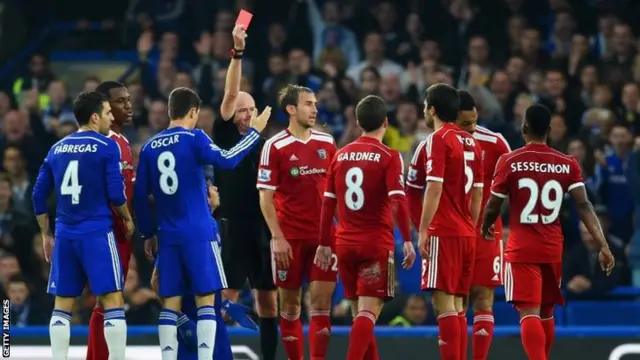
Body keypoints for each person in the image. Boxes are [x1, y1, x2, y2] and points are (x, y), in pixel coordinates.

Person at [133, 87, 270, 360]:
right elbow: (227, 160)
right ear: (193, 112)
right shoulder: (194, 137)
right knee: (206, 300)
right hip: (198, 232)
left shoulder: (148, 147)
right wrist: (254, 132)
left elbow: (138, 198)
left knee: (170, 305)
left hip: (168, 236)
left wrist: (148, 233)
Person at [481, 104, 615, 360]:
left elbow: (494, 203)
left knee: (529, 312)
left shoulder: (510, 161)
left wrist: (486, 225)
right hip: (553, 247)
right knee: (547, 311)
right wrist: (603, 244)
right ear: (550, 131)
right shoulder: (567, 164)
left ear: (524, 128)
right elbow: (584, 205)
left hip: (522, 247)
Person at [32, 91, 134, 360]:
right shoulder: (106, 146)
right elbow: (116, 192)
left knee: (62, 305)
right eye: (107, 113)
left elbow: (38, 195)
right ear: (94, 117)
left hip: (65, 235)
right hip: (97, 233)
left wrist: (46, 233)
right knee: (113, 300)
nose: (111, 118)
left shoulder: (57, 148)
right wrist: (126, 217)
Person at [313, 95, 416, 360]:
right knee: (369, 314)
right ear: (386, 122)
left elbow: (327, 204)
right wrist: (406, 238)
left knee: (360, 314)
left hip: (344, 244)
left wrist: (325, 243)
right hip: (375, 245)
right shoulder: (389, 156)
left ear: (358, 122)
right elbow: (397, 200)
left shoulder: (340, 156)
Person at [258, 84, 337, 360]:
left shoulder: (327, 143)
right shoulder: (274, 146)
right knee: (290, 306)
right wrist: (277, 237)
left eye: (315, 104)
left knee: (321, 305)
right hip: (288, 238)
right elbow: (265, 198)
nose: (315, 109)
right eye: (308, 104)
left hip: (323, 238)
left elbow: (334, 192)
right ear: (291, 109)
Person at [216, 25, 279, 360]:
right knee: (226, 300)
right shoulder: (225, 135)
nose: (248, 114)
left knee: (268, 300)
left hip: (262, 228)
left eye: (252, 109)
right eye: (242, 109)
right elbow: (229, 94)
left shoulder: (264, 143)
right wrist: (237, 54)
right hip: (234, 225)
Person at [411, 83, 483, 360]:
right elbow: (477, 194)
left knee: (444, 306)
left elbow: (434, 186)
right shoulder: (472, 143)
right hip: (466, 232)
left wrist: (424, 228)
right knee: (457, 306)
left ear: (431, 109)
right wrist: (470, 226)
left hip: (444, 230)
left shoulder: (438, 140)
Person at [454, 90, 511, 360]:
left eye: (474, 121)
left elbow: (513, 186)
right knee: (456, 301)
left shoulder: (496, 143)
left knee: (484, 297)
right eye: (465, 123)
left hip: (486, 230)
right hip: (452, 231)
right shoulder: (437, 143)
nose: (471, 128)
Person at [85, 80, 134, 360]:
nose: (127, 104)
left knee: (106, 303)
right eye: (119, 101)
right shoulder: (105, 144)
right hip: (108, 232)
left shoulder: (122, 142)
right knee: (108, 301)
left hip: (121, 233)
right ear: (105, 107)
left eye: (128, 99)